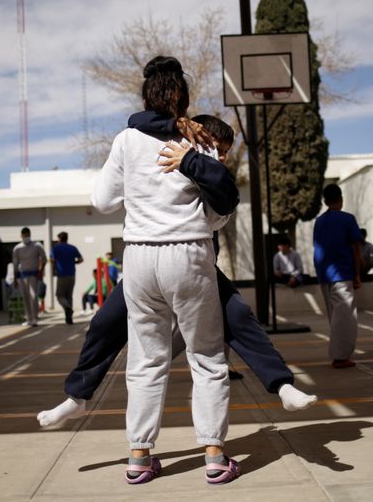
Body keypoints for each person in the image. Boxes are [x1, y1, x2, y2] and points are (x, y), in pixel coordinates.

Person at [38, 109, 316, 480]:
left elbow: (219, 210)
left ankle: (281, 385)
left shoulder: (208, 172)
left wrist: (204, 165)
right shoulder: (170, 155)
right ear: (200, 139)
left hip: (194, 267)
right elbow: (138, 128)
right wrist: (173, 128)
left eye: (227, 152)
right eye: (220, 148)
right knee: (105, 324)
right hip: (149, 261)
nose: (224, 156)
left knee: (238, 318)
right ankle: (77, 396)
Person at [92, 56, 237, 485]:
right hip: (188, 253)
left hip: (138, 256)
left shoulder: (125, 140)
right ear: (184, 99)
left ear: (145, 96)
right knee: (207, 356)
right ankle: (213, 456)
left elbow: (102, 201)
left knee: (146, 359)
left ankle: (139, 457)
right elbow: (219, 210)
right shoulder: (199, 140)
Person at [313, 184, 362, 369]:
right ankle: (341, 356)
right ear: (341, 199)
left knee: (334, 317)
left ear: (325, 201)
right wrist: (357, 274)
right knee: (345, 318)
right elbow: (355, 247)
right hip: (342, 272)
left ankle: (339, 354)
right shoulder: (348, 219)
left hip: (324, 275)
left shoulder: (319, 221)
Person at [12, 227, 47, 327]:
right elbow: (15, 264)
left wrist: (41, 271)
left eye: (27, 235)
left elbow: (44, 259)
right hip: (22, 275)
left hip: (34, 274)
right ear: (21, 236)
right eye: (24, 235)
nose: (26, 237)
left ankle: (35, 318)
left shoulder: (37, 245)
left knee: (33, 296)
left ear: (30, 235)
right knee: (25, 297)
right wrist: (15, 279)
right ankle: (28, 318)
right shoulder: (17, 248)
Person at [50, 231, 84, 324]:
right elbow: (81, 259)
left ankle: (68, 308)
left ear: (59, 239)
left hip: (61, 275)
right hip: (72, 275)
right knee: (69, 296)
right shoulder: (72, 248)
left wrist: (56, 265)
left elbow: (52, 260)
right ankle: (69, 319)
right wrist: (73, 263)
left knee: (60, 295)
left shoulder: (55, 248)